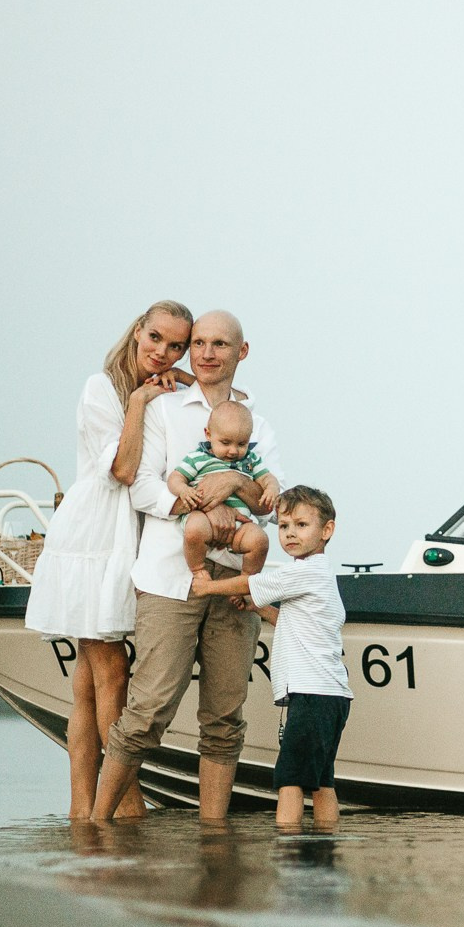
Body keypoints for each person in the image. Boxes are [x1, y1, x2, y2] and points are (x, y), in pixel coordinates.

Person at [92, 310, 279, 821]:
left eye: (220, 344)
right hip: (169, 579)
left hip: (235, 582)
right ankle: (97, 829)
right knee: (146, 712)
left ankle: (214, 838)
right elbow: (142, 486)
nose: (206, 353)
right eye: (198, 343)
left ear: (242, 352)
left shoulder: (258, 424)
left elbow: (270, 504)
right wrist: (198, 507)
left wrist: (234, 483)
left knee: (224, 718)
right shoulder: (165, 408)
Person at [23, 300, 194, 820]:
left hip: (131, 534)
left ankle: (83, 811)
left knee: (87, 683)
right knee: (112, 670)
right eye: (155, 338)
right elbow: (122, 469)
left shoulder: (166, 388)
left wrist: (184, 384)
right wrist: (140, 400)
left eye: (176, 346)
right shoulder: (103, 388)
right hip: (95, 536)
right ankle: (126, 803)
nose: (162, 352)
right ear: (138, 330)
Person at [191, 485, 351, 830]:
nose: (290, 533)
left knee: (290, 778)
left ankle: (287, 845)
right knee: (322, 780)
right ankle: (327, 842)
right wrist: (259, 610)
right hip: (331, 695)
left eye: (302, 525)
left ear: (327, 530)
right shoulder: (321, 576)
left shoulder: (305, 571)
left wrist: (208, 587)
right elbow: (293, 621)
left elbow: (250, 582)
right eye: (284, 525)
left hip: (311, 693)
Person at [169, 400, 277, 580]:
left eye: (241, 444)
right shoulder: (198, 458)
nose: (233, 451)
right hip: (204, 519)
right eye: (225, 442)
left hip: (240, 527)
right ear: (209, 434)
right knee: (194, 529)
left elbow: (267, 478)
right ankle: (197, 569)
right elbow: (175, 478)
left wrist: (271, 488)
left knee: (260, 540)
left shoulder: (250, 460)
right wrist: (183, 491)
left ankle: (247, 579)